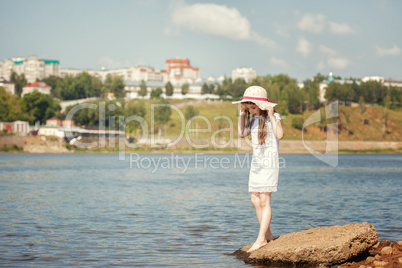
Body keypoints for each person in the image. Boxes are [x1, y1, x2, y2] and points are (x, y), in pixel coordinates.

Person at [232, 86, 284, 253]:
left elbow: (280, 134)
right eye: (248, 108)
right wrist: (241, 116)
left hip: (269, 164)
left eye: (253, 107)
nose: (250, 111)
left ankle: (261, 239)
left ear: (261, 106)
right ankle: (268, 235)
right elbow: (242, 133)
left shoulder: (274, 117)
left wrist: (270, 114)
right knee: (254, 200)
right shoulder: (252, 120)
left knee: (264, 200)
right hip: (256, 164)